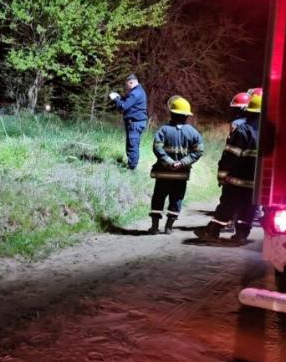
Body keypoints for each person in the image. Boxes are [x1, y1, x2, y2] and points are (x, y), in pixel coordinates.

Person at [194, 92, 262, 243]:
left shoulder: (243, 130)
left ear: (248, 111)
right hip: (256, 183)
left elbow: (230, 155)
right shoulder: (269, 133)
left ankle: (212, 232)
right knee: (248, 209)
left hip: (236, 179)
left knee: (228, 206)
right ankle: (241, 236)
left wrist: (222, 174)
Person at [148, 95, 205, 235]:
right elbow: (198, 151)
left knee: (158, 197)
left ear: (171, 113)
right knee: (177, 199)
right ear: (187, 116)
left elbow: (157, 148)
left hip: (163, 173)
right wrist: (182, 162)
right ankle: (169, 227)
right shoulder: (193, 132)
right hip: (181, 174)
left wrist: (169, 162)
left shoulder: (163, 130)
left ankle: (155, 227)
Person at [109, 74, 148, 170]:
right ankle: (132, 165)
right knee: (133, 144)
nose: (126, 87)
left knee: (132, 145)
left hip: (135, 123)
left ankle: (131, 169)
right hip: (137, 123)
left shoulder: (136, 93)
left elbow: (123, 106)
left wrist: (115, 99)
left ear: (131, 83)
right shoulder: (138, 91)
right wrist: (120, 98)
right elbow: (128, 102)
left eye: (127, 85)